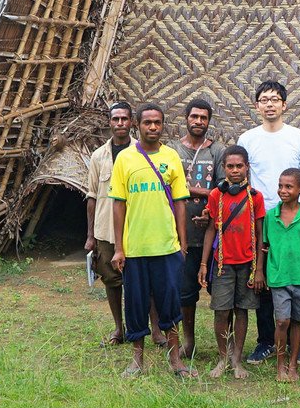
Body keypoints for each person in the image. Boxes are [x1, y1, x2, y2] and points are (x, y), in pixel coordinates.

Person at [109, 103, 196, 378]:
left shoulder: (171, 158)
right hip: (135, 248)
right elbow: (118, 204)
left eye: (157, 123)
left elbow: (181, 202)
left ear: (163, 125)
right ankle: (137, 360)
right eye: (147, 123)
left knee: (170, 303)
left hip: (166, 246)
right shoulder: (124, 159)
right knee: (135, 303)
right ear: (138, 125)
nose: (153, 127)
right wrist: (119, 247)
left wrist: (182, 242)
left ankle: (175, 361)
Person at [238, 80, 300, 365]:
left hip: (295, 217)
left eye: (275, 99)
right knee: (263, 278)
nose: (269, 104)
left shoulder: (298, 137)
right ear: (256, 106)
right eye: (264, 99)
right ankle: (265, 341)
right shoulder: (247, 139)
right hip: (261, 218)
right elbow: (243, 178)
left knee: (296, 275)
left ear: (285, 105)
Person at [198, 145, 264, 379]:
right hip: (223, 264)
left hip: (247, 264)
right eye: (230, 166)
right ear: (223, 168)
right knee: (221, 311)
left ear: (247, 168)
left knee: (242, 310)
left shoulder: (255, 197)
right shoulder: (216, 195)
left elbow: (259, 233)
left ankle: (237, 360)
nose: (235, 170)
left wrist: (259, 271)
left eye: (239, 166)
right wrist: (204, 264)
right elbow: (210, 231)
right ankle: (222, 357)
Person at [173, 97, 225, 360]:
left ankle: (223, 346)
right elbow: (170, 186)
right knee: (185, 293)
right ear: (186, 118)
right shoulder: (172, 151)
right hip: (181, 234)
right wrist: (206, 193)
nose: (198, 122)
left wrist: (208, 210)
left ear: (209, 121)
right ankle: (189, 341)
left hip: (211, 233)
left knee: (219, 291)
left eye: (203, 118)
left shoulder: (217, 152)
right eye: (194, 116)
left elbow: (223, 188)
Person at [85, 101, 135, 346]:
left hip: (135, 228)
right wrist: (90, 235)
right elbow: (92, 196)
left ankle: (152, 329)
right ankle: (119, 328)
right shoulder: (98, 157)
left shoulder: (142, 152)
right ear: (109, 122)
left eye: (124, 119)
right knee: (112, 281)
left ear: (131, 122)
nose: (120, 123)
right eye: (116, 119)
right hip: (105, 230)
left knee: (140, 282)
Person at [263, 167, 300, 383]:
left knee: (297, 322)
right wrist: (261, 272)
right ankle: (280, 365)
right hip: (278, 277)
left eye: (289, 186)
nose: (283, 191)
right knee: (282, 321)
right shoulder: (271, 216)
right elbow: (265, 246)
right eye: (280, 186)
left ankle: (293, 363)